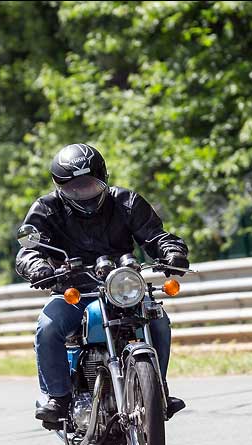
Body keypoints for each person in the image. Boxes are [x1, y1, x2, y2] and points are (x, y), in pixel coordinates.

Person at [15, 143, 189, 424]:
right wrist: (38, 266)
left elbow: (155, 236)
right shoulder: (46, 209)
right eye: (74, 188)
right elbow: (28, 251)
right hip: (74, 292)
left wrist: (172, 253)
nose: (82, 193)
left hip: (123, 289)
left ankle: (157, 389)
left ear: (103, 178)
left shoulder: (126, 202)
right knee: (48, 327)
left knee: (158, 320)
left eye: (89, 186)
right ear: (60, 186)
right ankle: (57, 397)